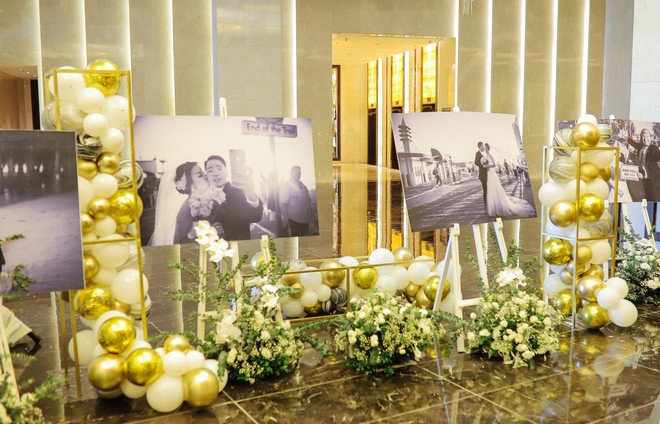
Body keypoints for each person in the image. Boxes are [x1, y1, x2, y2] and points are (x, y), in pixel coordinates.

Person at [205, 155, 263, 241]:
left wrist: (251, 193)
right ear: (206, 176)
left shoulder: (236, 193)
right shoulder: (203, 197)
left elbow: (255, 216)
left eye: (219, 169)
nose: (215, 174)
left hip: (238, 244)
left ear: (226, 172)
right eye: (210, 171)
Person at [482, 143, 535, 218]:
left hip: (492, 174)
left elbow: (494, 165)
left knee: (496, 188)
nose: (485, 149)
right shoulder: (485, 157)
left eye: (485, 148)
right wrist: (484, 165)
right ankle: (493, 207)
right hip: (489, 174)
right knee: (491, 189)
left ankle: (499, 205)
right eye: (484, 148)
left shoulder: (490, 155)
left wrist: (487, 165)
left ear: (488, 148)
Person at [172, 162, 216, 244]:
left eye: (203, 173)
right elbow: (179, 243)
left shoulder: (211, 198)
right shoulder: (187, 207)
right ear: (189, 182)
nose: (206, 176)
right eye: (200, 175)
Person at [280, 166, 313, 236]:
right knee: (295, 238)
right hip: (294, 220)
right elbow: (282, 203)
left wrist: (311, 215)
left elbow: (308, 200)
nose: (299, 174)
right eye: (296, 173)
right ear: (291, 173)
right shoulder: (286, 185)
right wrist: (285, 218)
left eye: (299, 173)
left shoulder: (303, 185)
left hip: (306, 220)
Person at [634, 128, 660, 200]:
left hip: (653, 181)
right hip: (643, 180)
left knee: (655, 200)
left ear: (651, 138)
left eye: (647, 136)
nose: (645, 139)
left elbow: (655, 157)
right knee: (646, 200)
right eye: (643, 136)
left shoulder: (654, 148)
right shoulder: (640, 149)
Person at [474, 142, 488, 209]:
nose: (483, 147)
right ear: (479, 147)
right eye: (482, 146)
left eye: (483, 146)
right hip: (482, 174)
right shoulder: (477, 153)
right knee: (485, 189)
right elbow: (476, 162)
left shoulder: (485, 153)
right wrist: (482, 165)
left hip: (488, 173)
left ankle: (490, 202)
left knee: (489, 188)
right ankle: (486, 204)